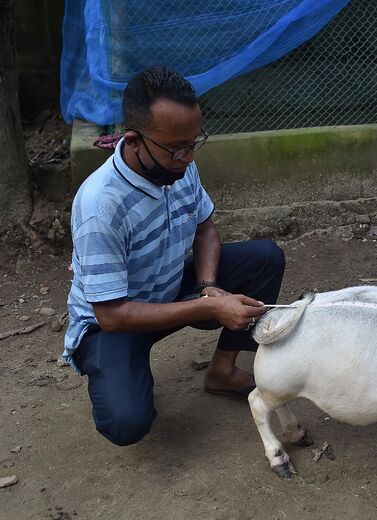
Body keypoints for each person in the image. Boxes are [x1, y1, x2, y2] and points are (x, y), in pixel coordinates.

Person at [62, 65, 286, 445]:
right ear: (133, 140)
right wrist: (207, 307)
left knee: (265, 257)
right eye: (176, 148)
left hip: (168, 290)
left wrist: (209, 286)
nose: (187, 157)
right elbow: (112, 314)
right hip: (113, 322)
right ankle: (117, 373)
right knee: (126, 422)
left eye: (194, 142)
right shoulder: (102, 205)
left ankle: (222, 371)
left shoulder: (178, 165)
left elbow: (205, 229)